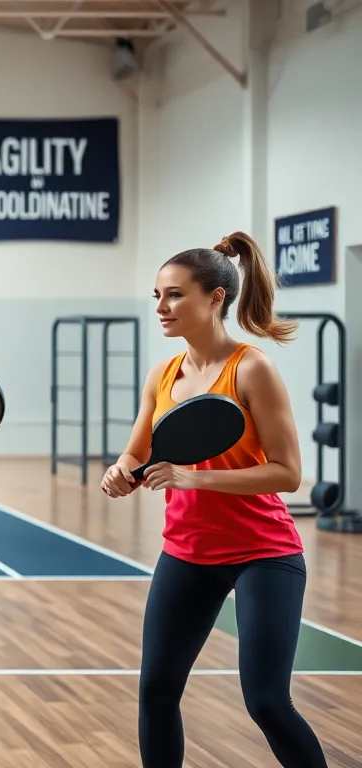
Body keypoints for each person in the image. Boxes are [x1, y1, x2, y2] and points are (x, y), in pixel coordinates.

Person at [101, 232, 327, 767]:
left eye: (175, 295)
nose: (161, 307)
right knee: (156, 691)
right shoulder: (163, 374)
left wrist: (194, 479)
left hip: (263, 554)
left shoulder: (251, 369)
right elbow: (137, 454)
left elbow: (289, 474)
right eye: (157, 295)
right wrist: (120, 473)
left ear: (215, 298)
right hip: (186, 552)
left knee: (267, 702)